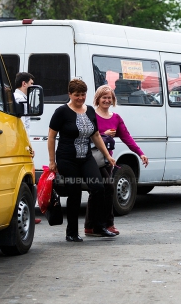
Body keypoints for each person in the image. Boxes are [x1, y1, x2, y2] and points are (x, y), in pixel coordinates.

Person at [48, 78, 117, 242]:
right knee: (75, 193)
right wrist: (52, 161)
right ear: (70, 94)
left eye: (83, 95)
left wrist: (107, 155)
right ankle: (71, 232)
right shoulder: (61, 112)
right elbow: (51, 137)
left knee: (99, 187)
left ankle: (98, 226)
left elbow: (96, 135)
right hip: (67, 159)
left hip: (86, 157)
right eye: (77, 95)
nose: (80, 98)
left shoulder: (91, 111)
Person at [84, 85, 149, 236]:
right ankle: (105, 224)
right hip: (93, 159)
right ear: (98, 100)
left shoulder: (116, 118)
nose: (106, 100)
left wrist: (140, 153)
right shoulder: (91, 115)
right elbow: (86, 136)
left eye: (109, 98)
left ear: (113, 100)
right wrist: (103, 134)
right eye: (103, 98)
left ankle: (94, 226)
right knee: (106, 188)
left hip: (108, 160)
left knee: (100, 192)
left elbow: (127, 138)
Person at [13, 72, 42, 224]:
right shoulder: (19, 100)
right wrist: (27, 146)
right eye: (31, 83)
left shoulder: (21, 99)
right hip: (21, 145)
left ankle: (29, 210)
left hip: (23, 143)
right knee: (27, 179)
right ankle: (27, 210)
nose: (32, 86)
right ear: (24, 84)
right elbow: (21, 126)